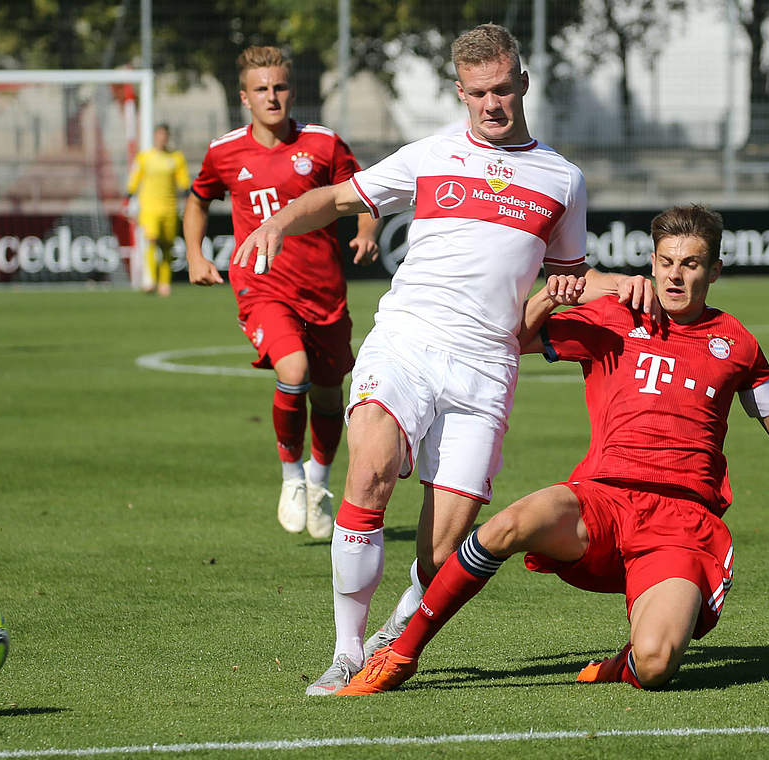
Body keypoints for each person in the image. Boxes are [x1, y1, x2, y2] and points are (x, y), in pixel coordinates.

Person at [231, 24, 654, 695]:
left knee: (441, 554)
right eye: (478, 92)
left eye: (502, 89)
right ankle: (345, 652)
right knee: (368, 475)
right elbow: (340, 199)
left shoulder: (563, 181)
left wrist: (574, 292)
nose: (492, 103)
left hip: (485, 370)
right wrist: (280, 221)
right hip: (405, 341)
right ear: (461, 92)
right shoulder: (429, 155)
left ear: (522, 84)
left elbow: (564, 280)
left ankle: (396, 629)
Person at [337, 204, 769, 695]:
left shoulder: (738, 344)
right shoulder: (616, 316)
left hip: (682, 522)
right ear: (652, 262)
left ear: (715, 270)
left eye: (691, 264)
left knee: (657, 665)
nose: (675, 275)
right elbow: (514, 342)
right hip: (600, 502)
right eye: (667, 262)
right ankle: (400, 654)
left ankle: (621, 666)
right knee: (506, 525)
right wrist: (551, 298)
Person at [184, 46, 380, 541]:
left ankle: (317, 482)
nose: (272, 97)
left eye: (280, 87)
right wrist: (194, 255)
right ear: (244, 96)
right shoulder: (224, 151)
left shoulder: (323, 144)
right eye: (261, 89)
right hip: (262, 284)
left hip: (324, 290)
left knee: (329, 394)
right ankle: (291, 477)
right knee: (293, 370)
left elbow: (363, 193)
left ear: (292, 90)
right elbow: (198, 199)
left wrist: (367, 230)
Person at [126, 123, 190, 296]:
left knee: (167, 246)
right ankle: (150, 280)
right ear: (155, 136)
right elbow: (135, 179)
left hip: (170, 207)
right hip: (149, 208)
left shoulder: (176, 158)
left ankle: (164, 283)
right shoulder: (144, 157)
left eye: (165, 135)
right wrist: (128, 197)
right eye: (159, 135)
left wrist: (188, 201)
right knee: (152, 240)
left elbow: (184, 182)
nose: (162, 138)